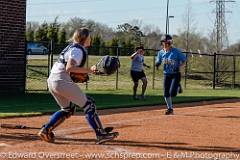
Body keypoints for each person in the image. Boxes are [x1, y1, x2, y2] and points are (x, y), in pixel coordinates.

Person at [38, 28, 118, 144]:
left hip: (53, 80)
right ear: (84, 38)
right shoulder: (78, 50)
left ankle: (46, 130)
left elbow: (69, 70)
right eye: (89, 36)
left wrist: (82, 73)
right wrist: (90, 70)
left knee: (67, 109)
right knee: (89, 105)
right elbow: (69, 68)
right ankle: (100, 134)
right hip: (61, 80)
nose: (91, 38)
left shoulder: (73, 47)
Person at [155, 35, 186, 115]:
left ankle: (178, 85)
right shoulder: (161, 52)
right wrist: (157, 64)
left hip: (175, 74)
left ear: (170, 43)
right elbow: (158, 60)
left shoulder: (176, 51)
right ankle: (170, 109)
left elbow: (184, 60)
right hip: (167, 74)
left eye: (167, 42)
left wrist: (179, 66)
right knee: (166, 93)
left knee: (172, 93)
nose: (165, 44)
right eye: (164, 42)